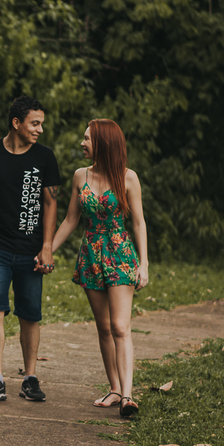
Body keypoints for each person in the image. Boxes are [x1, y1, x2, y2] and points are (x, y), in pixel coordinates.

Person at [0, 96, 61, 402]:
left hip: (31, 250)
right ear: (16, 123)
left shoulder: (45, 157)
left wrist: (47, 247)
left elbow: (51, 203)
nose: (40, 129)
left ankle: (30, 379)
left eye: (41, 124)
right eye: (35, 123)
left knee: (30, 314)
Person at [49, 118, 149, 418]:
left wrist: (144, 263)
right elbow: (71, 219)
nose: (82, 143)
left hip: (120, 254)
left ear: (103, 143)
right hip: (91, 255)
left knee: (120, 326)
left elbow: (139, 222)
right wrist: (46, 251)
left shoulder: (128, 177)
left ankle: (128, 396)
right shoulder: (80, 176)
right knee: (104, 327)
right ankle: (115, 388)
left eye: (87, 139)